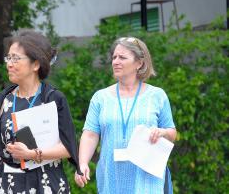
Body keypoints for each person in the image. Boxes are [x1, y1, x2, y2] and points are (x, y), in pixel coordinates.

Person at [0, 30, 81, 193]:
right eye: (8, 58)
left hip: (46, 183)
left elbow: (68, 147)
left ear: (35, 64)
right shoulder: (2, 101)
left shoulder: (52, 99)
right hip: (8, 185)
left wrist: (33, 154)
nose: (9, 63)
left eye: (16, 58)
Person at [74, 37, 177, 193]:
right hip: (111, 178)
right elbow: (90, 135)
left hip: (147, 181)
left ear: (139, 63)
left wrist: (162, 132)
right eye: (114, 57)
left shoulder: (157, 96)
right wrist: (82, 164)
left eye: (122, 57)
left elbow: (172, 133)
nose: (115, 61)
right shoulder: (100, 97)